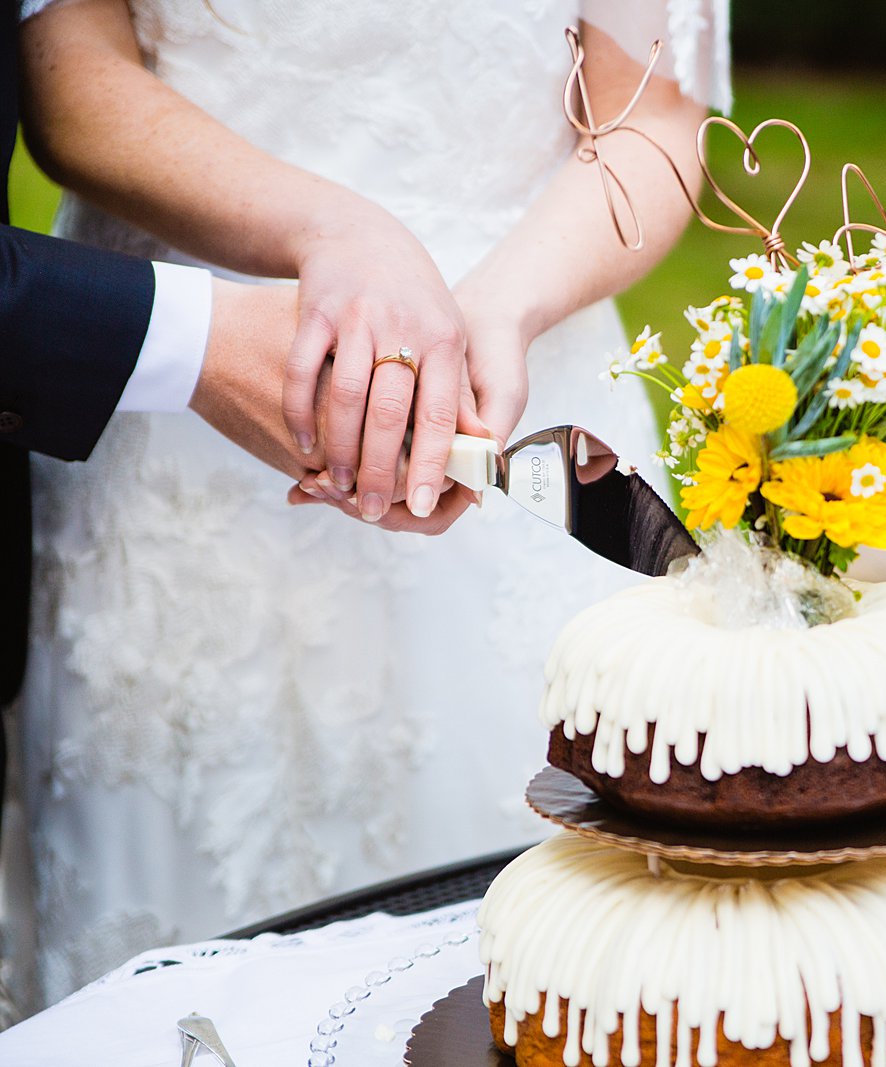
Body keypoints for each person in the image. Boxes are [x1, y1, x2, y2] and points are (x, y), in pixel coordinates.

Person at [9, 0, 727, 1011]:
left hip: (514, 391)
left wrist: (491, 319)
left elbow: (652, 115)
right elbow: (66, 77)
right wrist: (331, 229)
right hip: (186, 416)